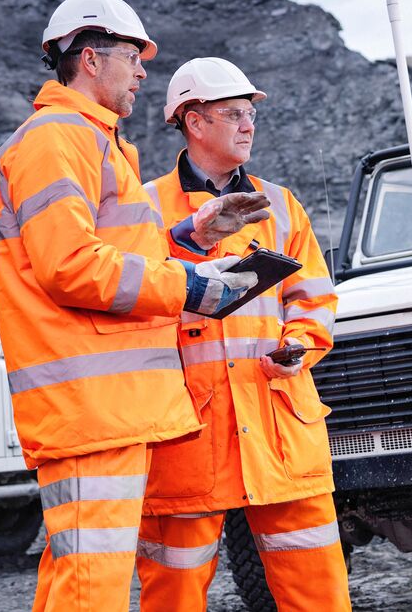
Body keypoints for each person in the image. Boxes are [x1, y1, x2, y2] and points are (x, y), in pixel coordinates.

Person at [0, 0, 271, 612]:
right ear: (89, 59)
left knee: (78, 579)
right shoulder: (57, 139)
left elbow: (105, 250)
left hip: (103, 409)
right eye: (134, 57)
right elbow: (70, 267)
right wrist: (192, 287)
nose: (145, 71)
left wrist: (192, 237)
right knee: (92, 590)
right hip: (91, 409)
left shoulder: (92, 141)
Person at [136, 57, 349, 612]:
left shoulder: (280, 204)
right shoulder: (143, 208)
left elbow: (315, 298)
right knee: (174, 592)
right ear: (194, 122)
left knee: (317, 587)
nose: (249, 124)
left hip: (276, 418)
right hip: (188, 430)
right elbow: (130, 299)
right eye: (234, 113)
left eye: (251, 113)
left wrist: (298, 347)